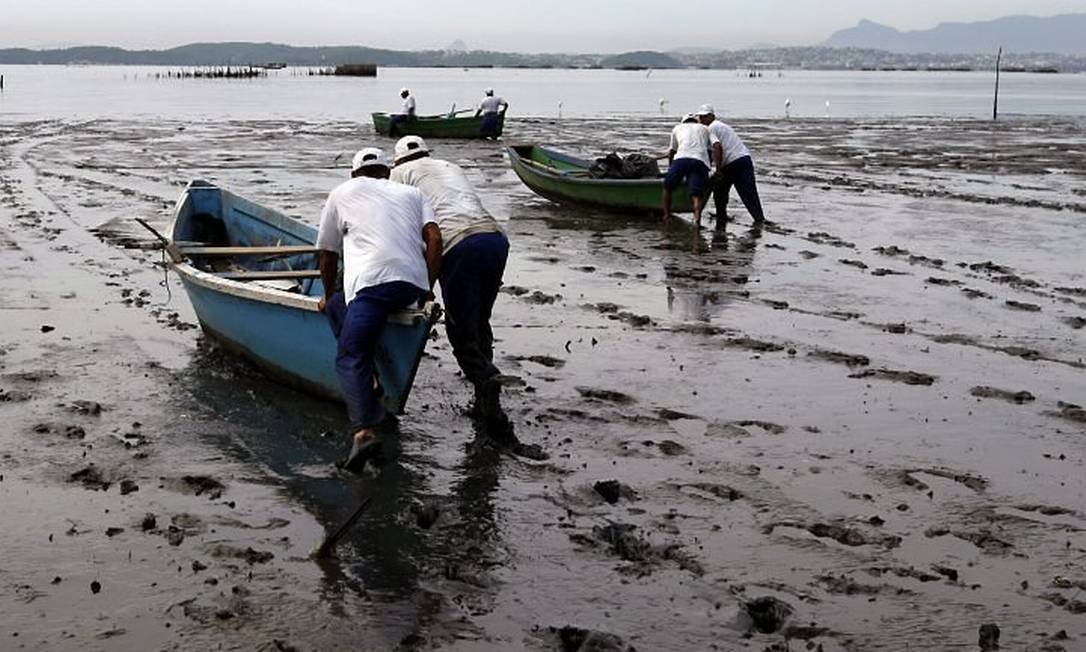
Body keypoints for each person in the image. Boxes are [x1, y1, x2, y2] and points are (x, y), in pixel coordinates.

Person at [316, 147, 442, 471]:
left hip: (372, 285)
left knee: (349, 354)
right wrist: (426, 287)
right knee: (338, 308)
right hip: (409, 284)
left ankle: (364, 431)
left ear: (354, 174)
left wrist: (327, 293)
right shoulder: (412, 192)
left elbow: (327, 255)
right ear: (386, 172)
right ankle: (372, 380)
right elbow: (434, 236)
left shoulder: (341, 193)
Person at [389, 135, 514, 434]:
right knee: (480, 320)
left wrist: (421, 285)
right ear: (426, 152)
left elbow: (407, 229)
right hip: (495, 238)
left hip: (459, 244)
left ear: (397, 160)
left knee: (459, 329)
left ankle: (487, 380)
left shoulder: (398, 175)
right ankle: (483, 399)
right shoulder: (449, 165)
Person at [696, 104, 765, 228]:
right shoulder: (721, 126)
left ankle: (757, 220)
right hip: (742, 160)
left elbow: (717, 148)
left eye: (704, 117)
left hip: (734, 163)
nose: (701, 120)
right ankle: (756, 218)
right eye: (700, 117)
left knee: (738, 192)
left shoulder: (711, 128)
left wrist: (717, 169)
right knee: (729, 191)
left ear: (712, 116)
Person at [662, 113, 717, 226]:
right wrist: (710, 167)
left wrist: (671, 168)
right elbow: (711, 150)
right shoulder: (705, 128)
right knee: (696, 194)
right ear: (696, 121)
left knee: (668, 187)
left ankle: (667, 215)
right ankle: (697, 219)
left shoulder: (677, 128)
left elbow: (672, 151)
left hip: (681, 159)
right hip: (699, 161)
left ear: (683, 122)